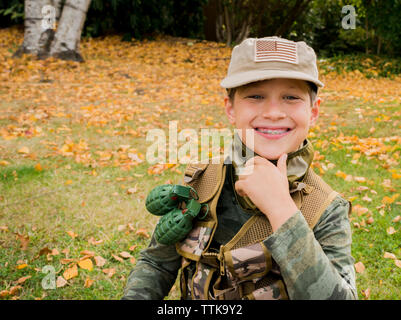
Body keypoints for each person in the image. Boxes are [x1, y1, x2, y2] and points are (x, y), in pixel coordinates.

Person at [122, 36, 358, 300]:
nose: (273, 112)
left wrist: (281, 209)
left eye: (291, 97)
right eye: (255, 96)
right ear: (231, 109)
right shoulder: (201, 181)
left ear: (313, 112)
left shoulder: (325, 209)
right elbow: (156, 264)